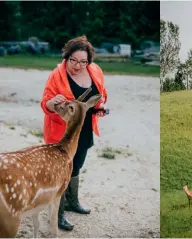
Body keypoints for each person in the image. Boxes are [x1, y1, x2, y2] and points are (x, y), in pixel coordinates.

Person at [40, 35, 108, 231]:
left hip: (84, 129)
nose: (78, 66)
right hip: (62, 133)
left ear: (89, 62)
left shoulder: (95, 71)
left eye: (83, 61)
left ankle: (73, 202)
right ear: (67, 57)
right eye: (74, 60)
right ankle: (57, 214)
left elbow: (101, 93)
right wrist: (53, 104)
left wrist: (100, 107)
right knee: (61, 173)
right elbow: (46, 102)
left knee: (76, 166)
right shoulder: (57, 75)